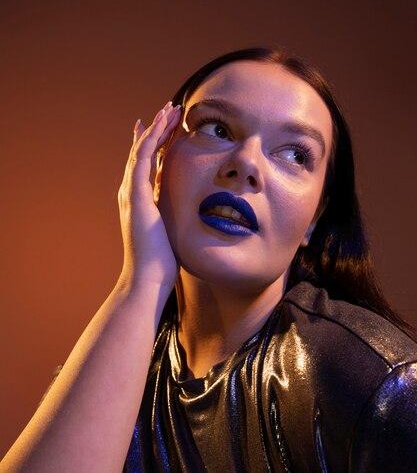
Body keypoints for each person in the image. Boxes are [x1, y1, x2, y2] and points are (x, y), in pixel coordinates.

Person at [2, 47, 417, 473]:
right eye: (217, 128)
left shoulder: (372, 380)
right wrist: (140, 282)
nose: (245, 163)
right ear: (157, 162)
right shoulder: (118, 364)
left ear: (315, 218)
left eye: (295, 154)